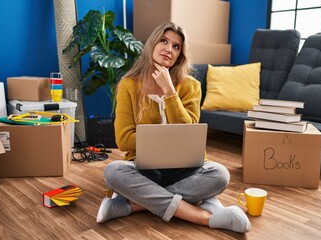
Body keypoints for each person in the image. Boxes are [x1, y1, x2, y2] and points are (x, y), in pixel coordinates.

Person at [96, 22, 251, 233]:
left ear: (180, 55)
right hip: (143, 169)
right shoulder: (128, 85)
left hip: (184, 170)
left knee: (220, 174)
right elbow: (124, 140)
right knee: (113, 171)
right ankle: (202, 216)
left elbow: (190, 134)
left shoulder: (191, 87)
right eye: (164, 41)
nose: (169, 49)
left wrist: (170, 92)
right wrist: (168, 143)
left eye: (176, 46)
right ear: (152, 44)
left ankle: (134, 205)